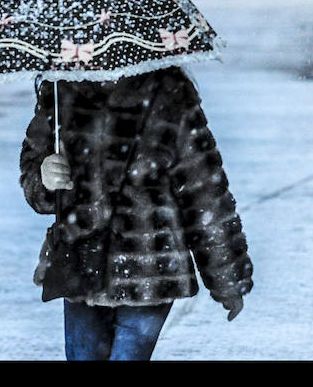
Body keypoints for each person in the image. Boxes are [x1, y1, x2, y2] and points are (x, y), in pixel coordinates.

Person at [20, 66, 253, 361]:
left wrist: (228, 278)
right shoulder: (60, 88)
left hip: (151, 269)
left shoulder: (169, 94)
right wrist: (43, 176)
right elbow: (36, 177)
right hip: (80, 263)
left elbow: (204, 194)